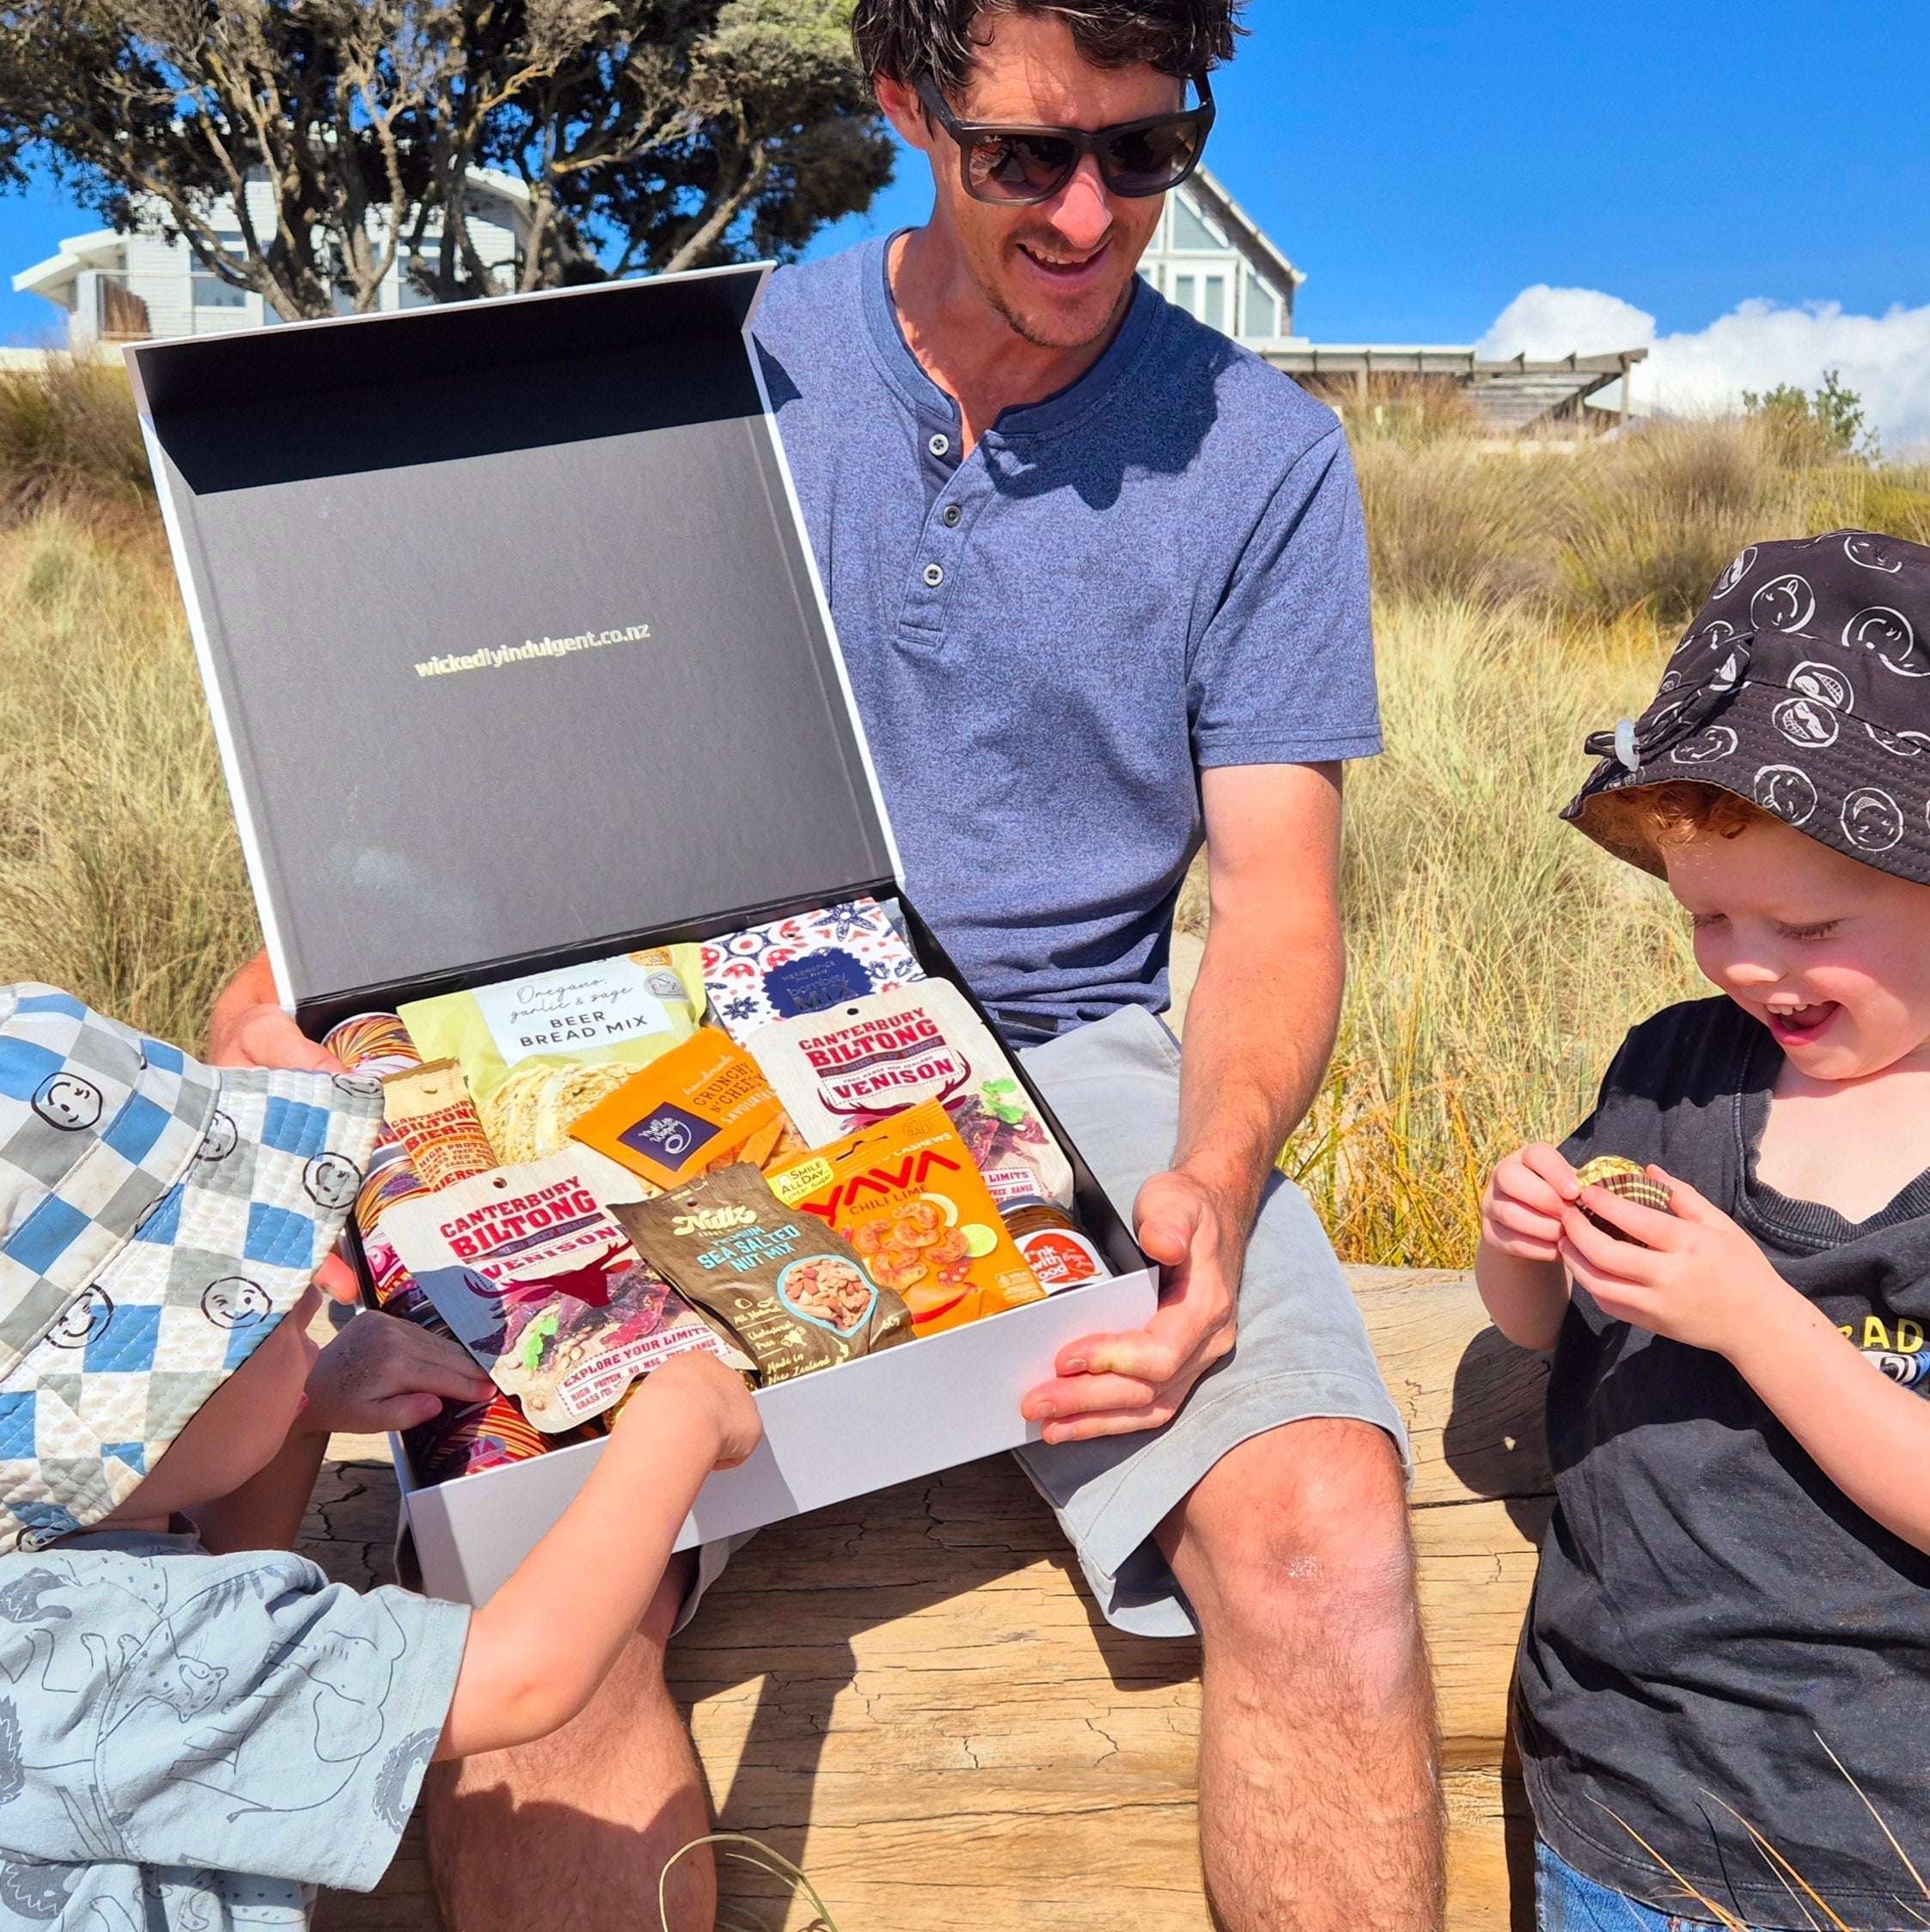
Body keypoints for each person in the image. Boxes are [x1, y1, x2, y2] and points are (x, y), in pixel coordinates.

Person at [208, 0, 1444, 1925]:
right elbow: (480, 747)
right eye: (1024, 154)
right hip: (654, 1014)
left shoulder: (1264, 454)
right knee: (531, 1629)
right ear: (900, 100)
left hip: (1077, 1045)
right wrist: (322, 970)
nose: (1090, 212)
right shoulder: (719, 367)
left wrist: (1213, 1161)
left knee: (1328, 1530)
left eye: (1149, 149)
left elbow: (1279, 901)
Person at [0, 983, 761, 1929]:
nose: (312, 1302)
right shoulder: (108, 1658)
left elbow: (219, 1568)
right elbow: (520, 1674)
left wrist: (303, 1410)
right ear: (126, 1417)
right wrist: (675, 1421)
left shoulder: (47, 1556)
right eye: (262, 1319)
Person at [1477, 532, 1930, 1929]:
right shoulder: (1678, 1068)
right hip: (1619, 1792)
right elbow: (1537, 1326)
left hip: (1877, 1833)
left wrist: (1757, 1317)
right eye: (1706, 913)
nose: (1742, 961)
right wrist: (1524, 1240)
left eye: (1803, 919)